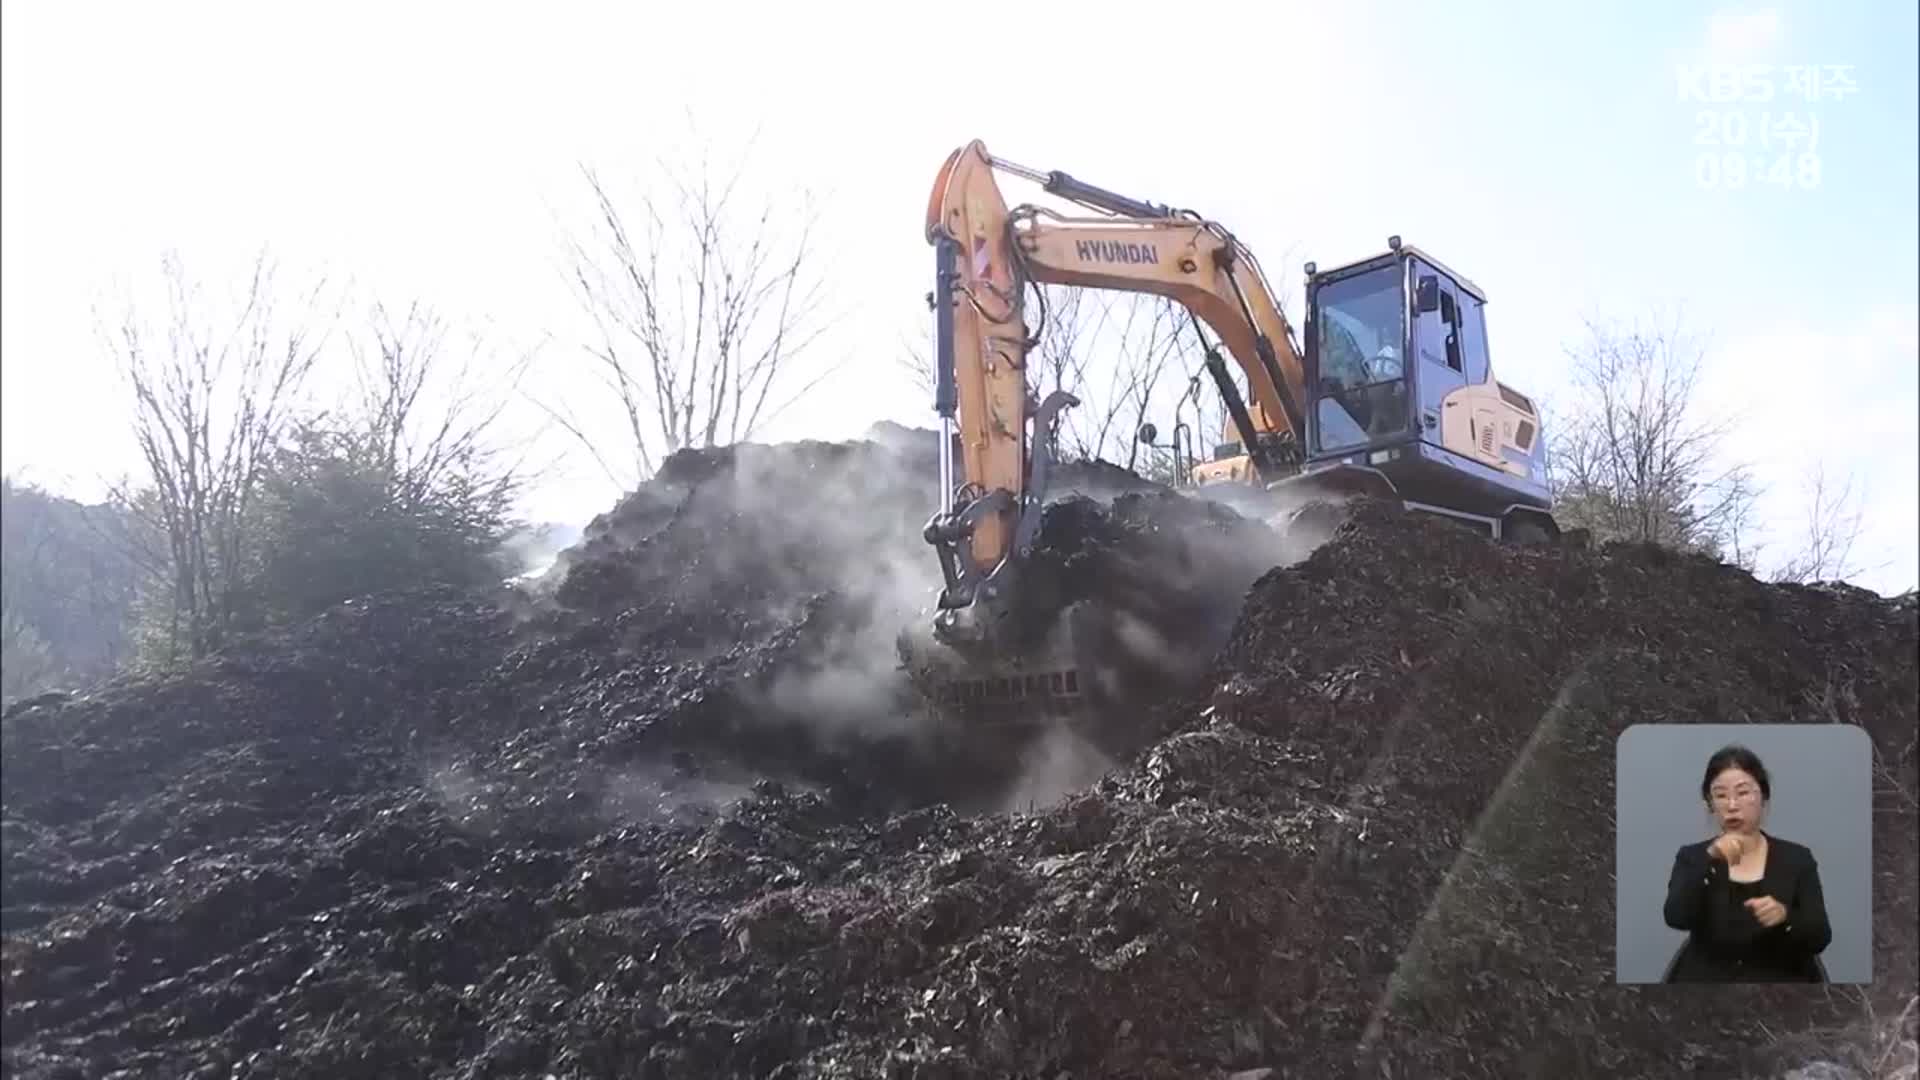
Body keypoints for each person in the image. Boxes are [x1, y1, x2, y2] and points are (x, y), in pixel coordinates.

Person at [1662, 744, 1832, 982]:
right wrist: (1710, 860)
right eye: (1720, 795)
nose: (1732, 805)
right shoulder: (1692, 857)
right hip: (1706, 983)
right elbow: (1676, 917)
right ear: (1710, 804)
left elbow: (1820, 937)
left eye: (1743, 793)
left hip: (1783, 983)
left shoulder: (1797, 858)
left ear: (1763, 796)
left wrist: (1785, 917)